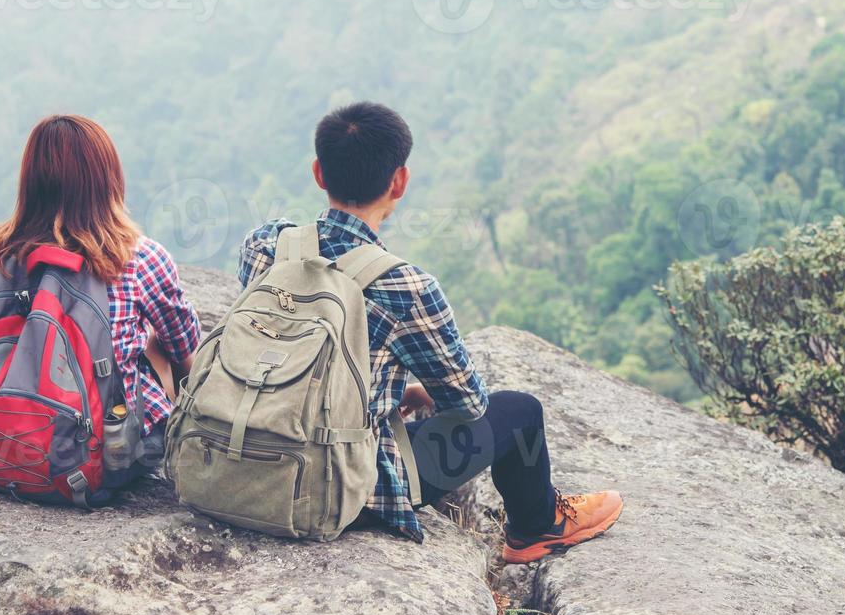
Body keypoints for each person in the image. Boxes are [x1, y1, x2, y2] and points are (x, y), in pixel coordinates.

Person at [238, 102, 622, 562]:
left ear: (319, 173)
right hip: (344, 487)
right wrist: (418, 391)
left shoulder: (265, 244)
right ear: (399, 181)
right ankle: (536, 527)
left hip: (245, 455)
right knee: (519, 412)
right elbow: (469, 405)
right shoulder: (406, 287)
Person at [0, 114, 202, 456]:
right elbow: (187, 353)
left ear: (30, 181)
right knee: (158, 343)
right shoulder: (141, 258)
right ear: (107, 179)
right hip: (110, 449)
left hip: (13, 436)